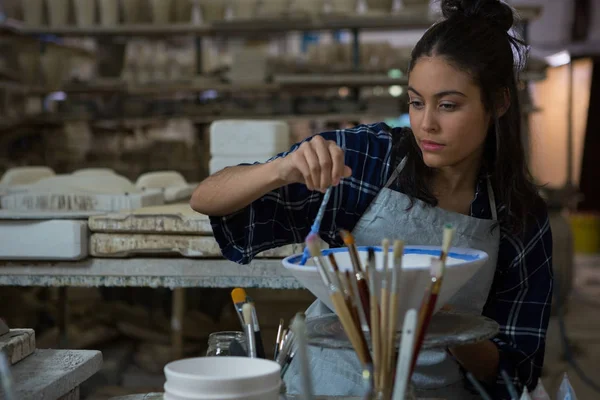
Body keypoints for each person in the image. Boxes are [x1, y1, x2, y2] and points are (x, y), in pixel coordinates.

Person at [190, 0, 554, 398]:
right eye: (416, 102)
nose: (426, 123)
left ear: (499, 103)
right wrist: (281, 169)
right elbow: (207, 199)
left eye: (448, 105)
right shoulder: (368, 158)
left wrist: (443, 323)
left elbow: (514, 373)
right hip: (325, 386)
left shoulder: (519, 215)